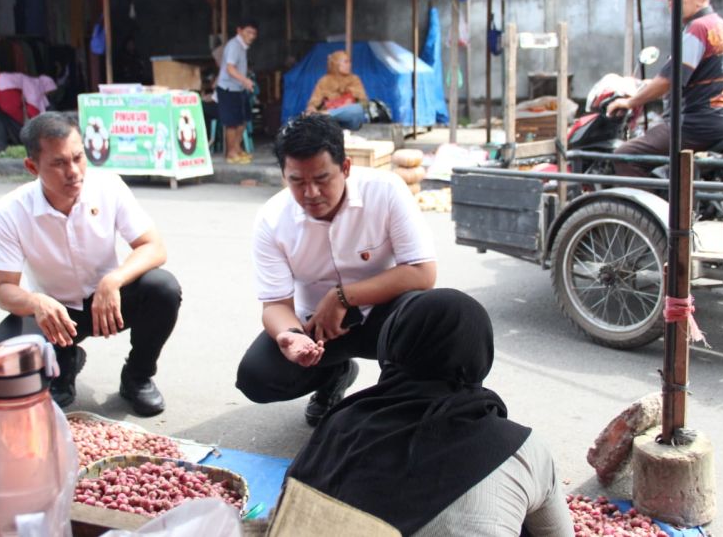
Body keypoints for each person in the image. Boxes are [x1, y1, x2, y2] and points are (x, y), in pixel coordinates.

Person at [286, 288, 573, 537]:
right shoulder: (523, 449)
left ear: (392, 343)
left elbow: (293, 511)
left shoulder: (340, 424)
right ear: (480, 354)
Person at [236, 114, 436, 426]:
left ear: (345, 168)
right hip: (316, 328)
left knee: (428, 315)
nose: (311, 193)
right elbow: (275, 305)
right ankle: (334, 375)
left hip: (382, 316)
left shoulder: (386, 190)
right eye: (297, 182)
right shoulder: (271, 220)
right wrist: (289, 336)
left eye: (322, 179)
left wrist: (342, 297)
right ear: (283, 176)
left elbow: (422, 273)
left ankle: (398, 403)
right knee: (257, 376)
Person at [0, 112, 182, 416]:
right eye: (59, 163)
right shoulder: (10, 211)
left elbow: (154, 247)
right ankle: (64, 359)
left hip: (109, 304)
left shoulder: (108, 187)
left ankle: (137, 376)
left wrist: (113, 280)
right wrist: (36, 302)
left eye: (78, 157)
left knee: (163, 289)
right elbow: (4, 290)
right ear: (32, 166)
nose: (74, 171)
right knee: (1, 368)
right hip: (55, 315)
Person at [607, 0, 723, 179]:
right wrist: (644, 85)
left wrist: (629, 102)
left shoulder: (698, 29)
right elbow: (695, 74)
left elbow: (667, 81)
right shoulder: (718, 25)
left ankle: (657, 210)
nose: (671, 3)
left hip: (698, 124)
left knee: (624, 155)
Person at [216, 19, 258, 164]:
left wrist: (245, 83)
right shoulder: (234, 46)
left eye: (254, 33)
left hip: (239, 88)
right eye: (248, 32)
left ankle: (237, 149)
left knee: (244, 121)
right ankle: (231, 154)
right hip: (228, 89)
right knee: (232, 123)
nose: (251, 36)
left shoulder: (243, 46)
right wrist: (245, 80)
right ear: (239, 31)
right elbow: (230, 68)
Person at [305, 50, 369, 131]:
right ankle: (326, 114)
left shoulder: (355, 79)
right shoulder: (325, 80)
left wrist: (346, 108)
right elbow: (313, 102)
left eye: (349, 62)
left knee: (358, 109)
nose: (349, 65)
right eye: (346, 62)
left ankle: (324, 114)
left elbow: (365, 103)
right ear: (336, 64)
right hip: (331, 122)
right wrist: (311, 108)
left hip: (350, 121)